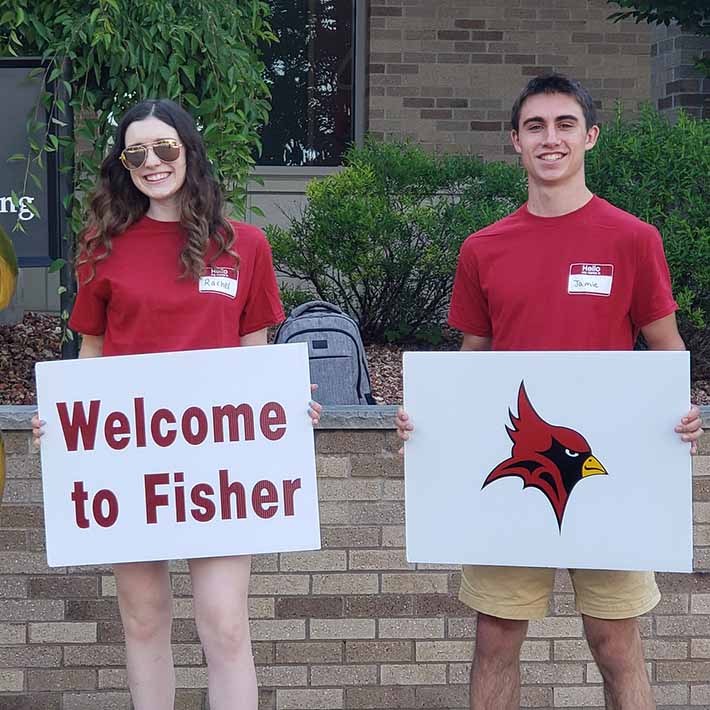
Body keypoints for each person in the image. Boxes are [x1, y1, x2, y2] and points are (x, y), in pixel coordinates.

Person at [396, 74, 703, 710]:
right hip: (514, 473)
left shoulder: (633, 240)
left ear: (590, 136)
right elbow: (471, 364)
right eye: (535, 126)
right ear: (515, 141)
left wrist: (684, 414)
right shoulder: (483, 248)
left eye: (565, 124)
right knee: (496, 637)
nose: (550, 138)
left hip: (612, 473)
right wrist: (429, 426)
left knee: (616, 641)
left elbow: (666, 347)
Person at [32, 98, 321, 710]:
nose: (152, 162)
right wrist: (66, 421)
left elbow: (255, 358)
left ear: (190, 151)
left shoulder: (245, 244)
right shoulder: (101, 247)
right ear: (123, 164)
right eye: (136, 152)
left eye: (165, 148)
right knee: (143, 621)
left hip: (219, 463)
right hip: (129, 459)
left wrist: (284, 408)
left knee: (225, 624)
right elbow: (91, 353)